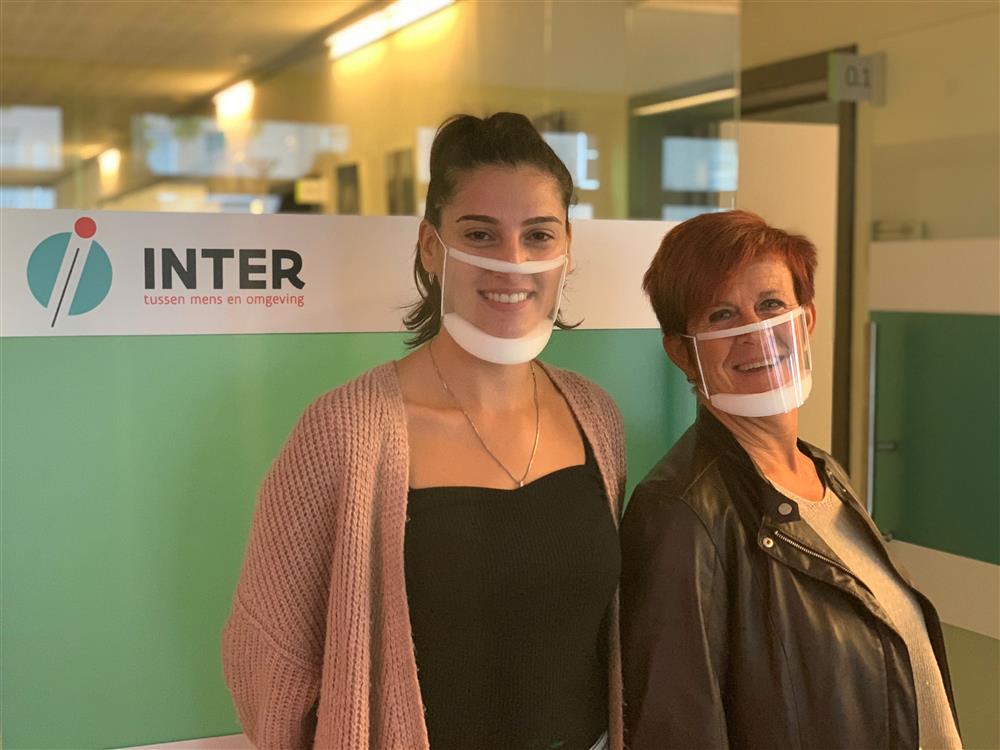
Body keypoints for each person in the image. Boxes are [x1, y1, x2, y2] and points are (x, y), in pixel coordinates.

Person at [222, 112, 626, 750]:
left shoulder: (594, 418)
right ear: (432, 248)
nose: (514, 262)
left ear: (567, 251)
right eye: (481, 234)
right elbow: (269, 658)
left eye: (539, 235)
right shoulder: (346, 432)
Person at [620, 210, 961, 749]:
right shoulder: (680, 513)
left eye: (772, 305)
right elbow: (676, 730)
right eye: (722, 315)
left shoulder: (821, 471)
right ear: (681, 352)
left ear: (807, 321)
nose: (756, 334)